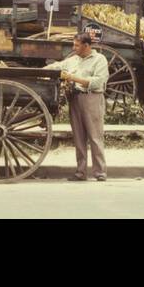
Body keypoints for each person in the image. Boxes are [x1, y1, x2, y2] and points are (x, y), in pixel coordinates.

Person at [46, 31, 109, 181]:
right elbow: (58, 66)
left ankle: (100, 172)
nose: (74, 48)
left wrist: (73, 77)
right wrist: (43, 70)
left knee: (95, 137)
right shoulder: (73, 60)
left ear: (86, 45)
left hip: (92, 98)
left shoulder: (99, 59)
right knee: (79, 138)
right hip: (75, 99)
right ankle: (81, 172)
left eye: (76, 45)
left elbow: (98, 81)